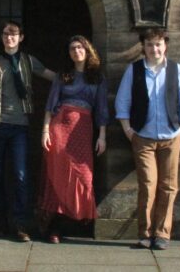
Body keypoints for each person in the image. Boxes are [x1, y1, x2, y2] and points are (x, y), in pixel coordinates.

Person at [115, 27, 180, 250]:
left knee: (169, 186)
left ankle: (162, 234)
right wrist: (128, 129)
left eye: (158, 44)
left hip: (171, 135)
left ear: (165, 45)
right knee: (148, 185)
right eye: (149, 45)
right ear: (144, 48)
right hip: (143, 136)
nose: (154, 49)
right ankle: (145, 234)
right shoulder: (134, 70)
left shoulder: (175, 69)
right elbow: (122, 101)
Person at [0, 21, 55, 242]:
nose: (9, 38)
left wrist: (80, 76)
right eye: (5, 34)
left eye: (13, 34)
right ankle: (2, 222)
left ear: (21, 37)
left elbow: (54, 77)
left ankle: (21, 223)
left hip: (19, 127)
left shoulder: (28, 61)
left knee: (21, 175)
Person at [39, 35, 108, 244]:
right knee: (59, 176)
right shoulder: (64, 75)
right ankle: (55, 229)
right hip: (60, 127)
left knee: (84, 177)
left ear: (87, 50)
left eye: (80, 47)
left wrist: (102, 136)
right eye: (72, 48)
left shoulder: (97, 77)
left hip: (83, 130)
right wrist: (45, 131)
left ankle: (73, 223)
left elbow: (102, 109)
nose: (76, 51)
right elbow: (51, 104)